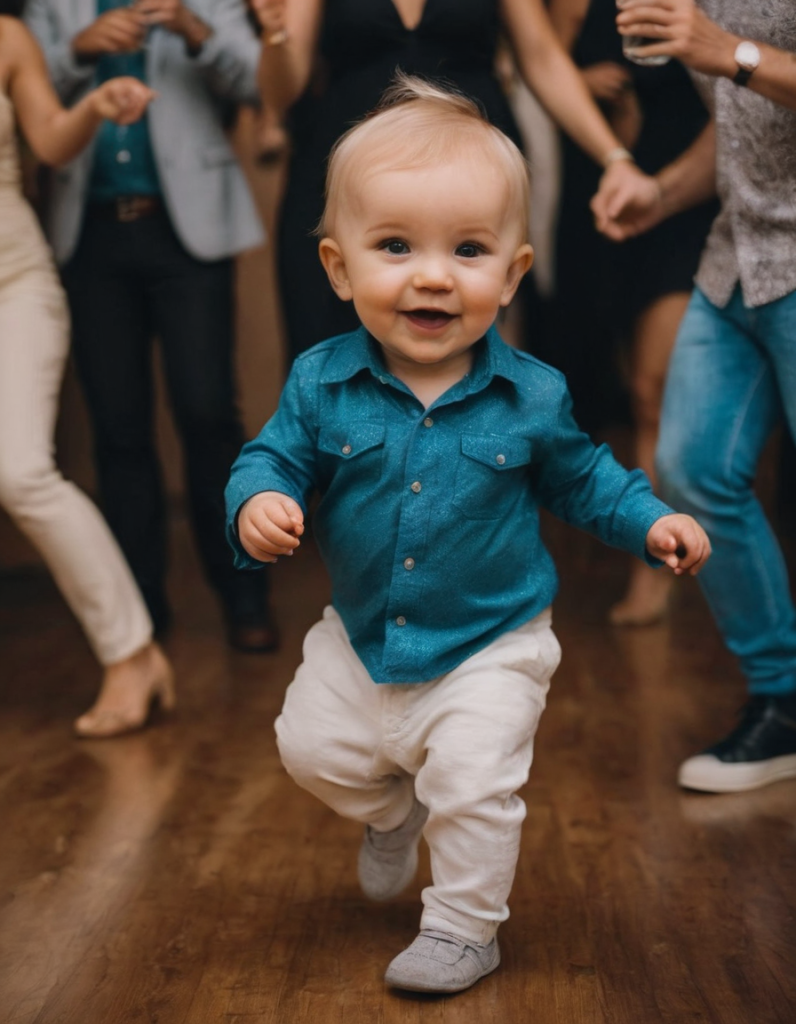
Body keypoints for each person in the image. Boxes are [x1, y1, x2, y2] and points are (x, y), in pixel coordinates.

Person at [225, 78, 711, 994]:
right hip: (364, 635)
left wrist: (651, 520)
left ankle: (462, 928)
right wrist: (257, 506)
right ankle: (389, 813)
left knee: (475, 783)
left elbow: (585, 478)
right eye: (396, 246)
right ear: (339, 267)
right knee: (309, 751)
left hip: (494, 639)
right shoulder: (320, 381)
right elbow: (270, 461)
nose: (434, 274)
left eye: (470, 249)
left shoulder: (532, 394)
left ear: (513, 273)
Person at [24, 0, 277, 652]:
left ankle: (246, 597)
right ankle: (142, 617)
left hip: (187, 234)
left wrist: (194, 30)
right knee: (119, 429)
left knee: (208, 413)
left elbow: (258, 82)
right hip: (92, 236)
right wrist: (78, 48)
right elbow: (25, 94)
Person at [592, 0, 796, 793]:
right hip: (734, 258)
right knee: (691, 471)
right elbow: (739, 126)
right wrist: (663, 193)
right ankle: (782, 702)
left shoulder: (716, 28)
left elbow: (738, 68)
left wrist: (729, 51)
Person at [249, 0, 663, 363]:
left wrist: (615, 158)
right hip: (350, 182)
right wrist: (276, 34)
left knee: (481, 361)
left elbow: (541, 56)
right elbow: (282, 92)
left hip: (472, 180)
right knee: (327, 354)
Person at [0, 5, 174, 738]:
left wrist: (96, 107)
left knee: (19, 471)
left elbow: (50, 142)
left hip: (13, 283)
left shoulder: (7, 37)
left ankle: (132, 653)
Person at [549, 0, 717, 626]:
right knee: (619, 385)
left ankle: (658, 567)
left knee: (653, 390)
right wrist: (586, 80)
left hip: (689, 200)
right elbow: (539, 71)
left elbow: (738, 109)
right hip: (605, 200)